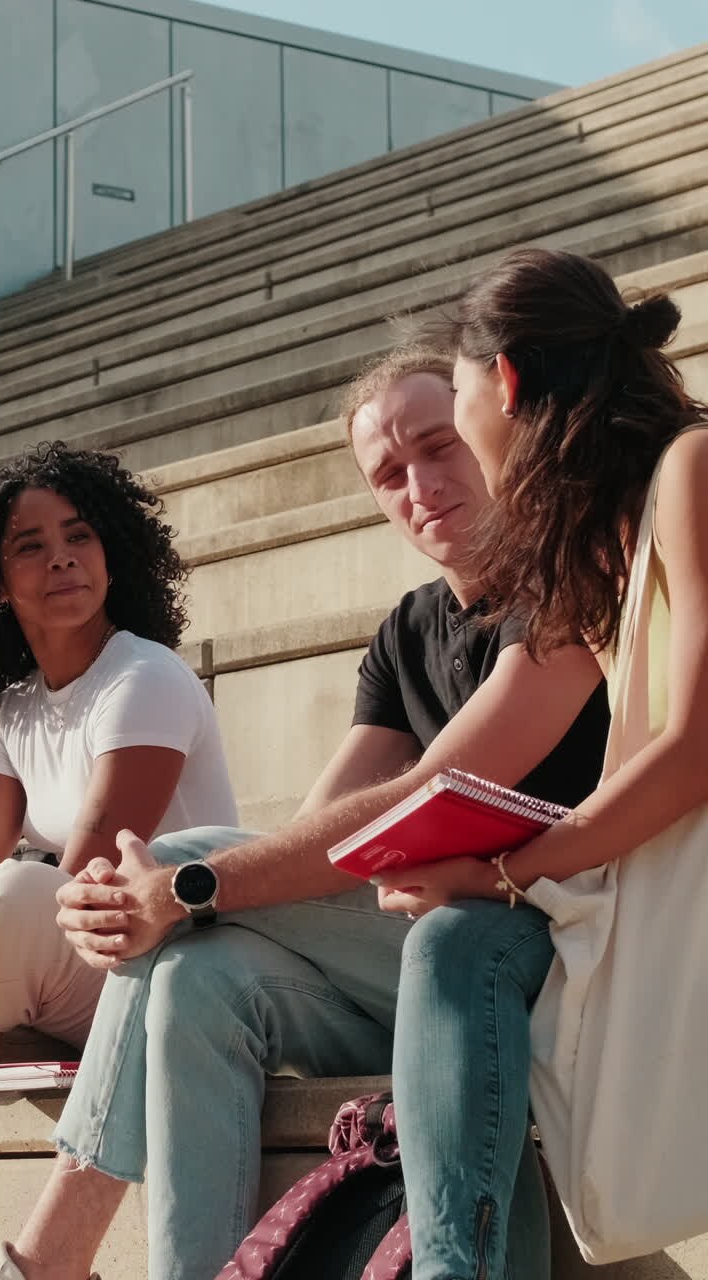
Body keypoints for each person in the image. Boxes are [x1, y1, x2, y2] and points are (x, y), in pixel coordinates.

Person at [0, 347, 610, 1280]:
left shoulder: (562, 590)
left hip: (531, 945)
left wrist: (183, 882)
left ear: (492, 434)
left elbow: (428, 792)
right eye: (389, 474)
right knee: (197, 976)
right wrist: (177, 902)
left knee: (192, 865)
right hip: (407, 956)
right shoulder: (405, 634)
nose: (420, 486)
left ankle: (52, 1252)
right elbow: (307, 839)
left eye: (439, 447)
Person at [371, 248, 708, 1280]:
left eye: (458, 395)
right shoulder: (601, 534)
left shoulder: (690, 469)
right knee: (457, 944)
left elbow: (695, 746)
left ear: (503, 381)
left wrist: (514, 867)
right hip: (659, 885)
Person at [0, 441, 237, 1049]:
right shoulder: (7, 709)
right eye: (31, 546)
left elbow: (89, 881)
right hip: (82, 963)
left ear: (110, 553)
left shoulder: (143, 676)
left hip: (175, 957)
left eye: (79, 538)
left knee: (20, 894)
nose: (62, 560)